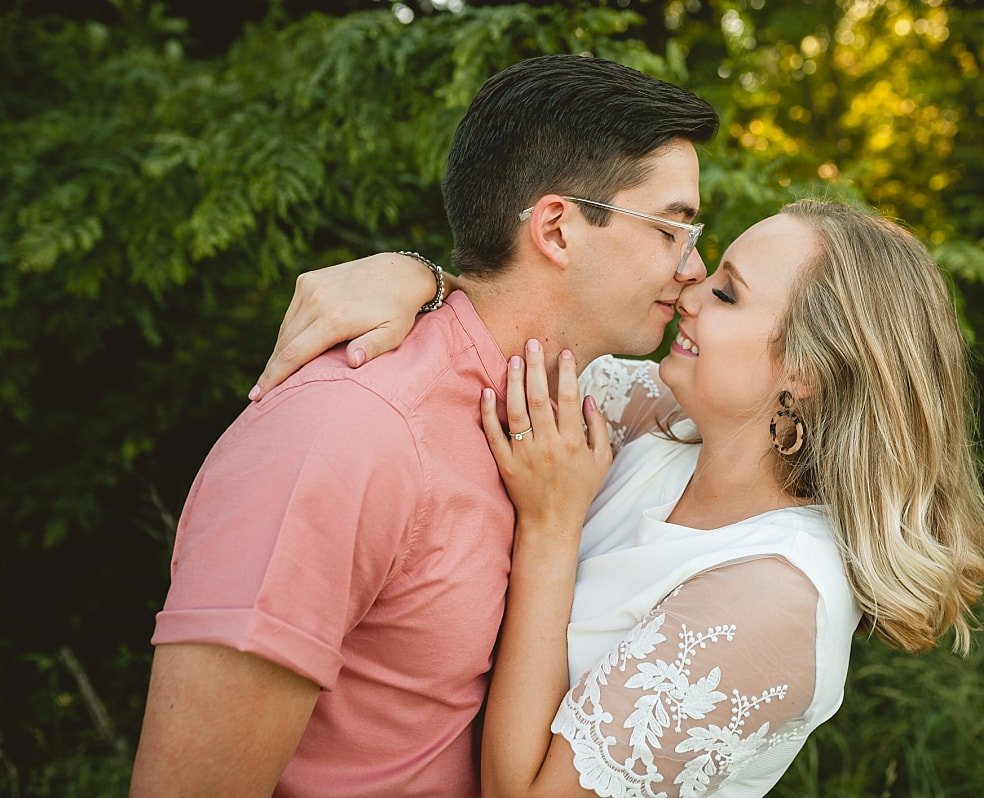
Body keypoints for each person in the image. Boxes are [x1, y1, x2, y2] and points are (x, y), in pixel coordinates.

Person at [252, 199, 984, 797]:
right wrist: (414, 275)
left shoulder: (772, 598)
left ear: (805, 372)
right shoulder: (664, 427)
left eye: (729, 293)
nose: (690, 290)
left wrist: (551, 529)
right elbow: (517, 332)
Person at [129, 54, 719, 797]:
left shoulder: (572, 414)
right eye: (672, 229)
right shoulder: (344, 435)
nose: (694, 268)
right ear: (559, 230)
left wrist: (421, 273)